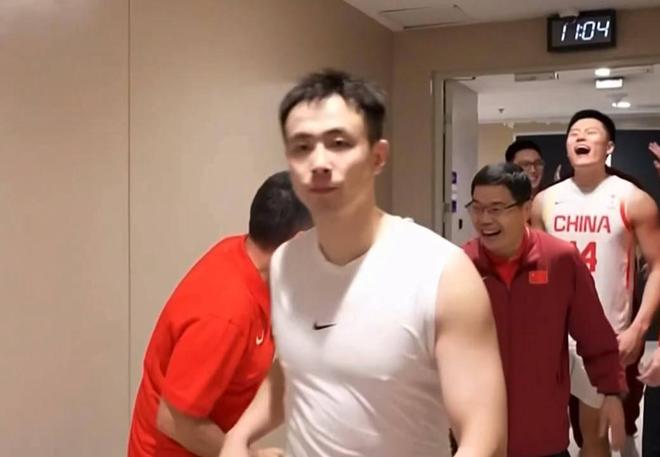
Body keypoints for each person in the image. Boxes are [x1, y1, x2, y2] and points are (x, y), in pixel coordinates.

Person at [219, 69, 507, 457]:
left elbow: (484, 434)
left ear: (377, 157)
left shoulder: (442, 273)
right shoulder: (286, 263)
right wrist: (239, 435)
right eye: (302, 147)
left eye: (338, 143)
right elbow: (293, 367)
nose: (319, 162)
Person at [127, 171, 312, 457]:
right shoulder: (226, 313)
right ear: (298, 243)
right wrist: (252, 455)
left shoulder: (247, 259)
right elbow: (174, 421)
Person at [463, 162, 626, 457]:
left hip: (543, 434)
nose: (484, 219)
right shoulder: (461, 265)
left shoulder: (560, 259)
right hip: (478, 438)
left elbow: (594, 334)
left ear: (526, 209)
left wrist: (611, 391)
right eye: (477, 208)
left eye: (496, 209)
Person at [532, 110, 660, 457]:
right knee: (543, 432)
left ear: (609, 147)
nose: (581, 137)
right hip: (552, 338)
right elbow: (536, 269)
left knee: (595, 436)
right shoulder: (545, 201)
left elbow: (657, 266)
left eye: (591, 132)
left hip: (606, 338)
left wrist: (638, 328)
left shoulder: (632, 199)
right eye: (574, 132)